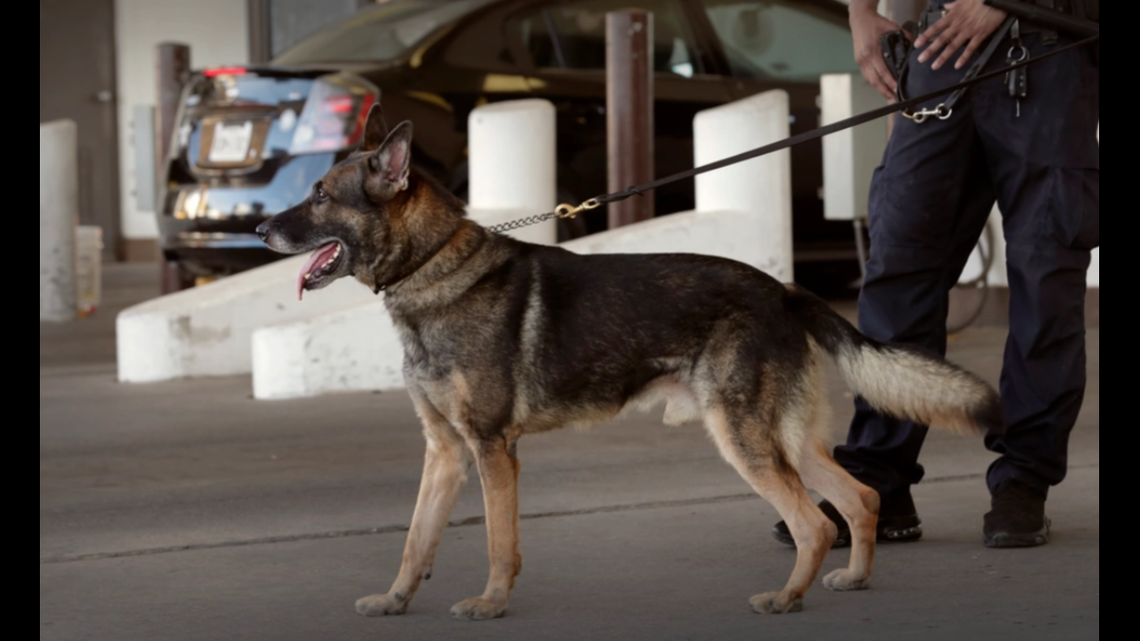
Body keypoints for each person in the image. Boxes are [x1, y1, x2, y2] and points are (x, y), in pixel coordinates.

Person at [775, 0, 1099, 548]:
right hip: (940, 47)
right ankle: (880, 475)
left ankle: (1024, 479)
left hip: (1052, 50)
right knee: (898, 273)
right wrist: (859, 12)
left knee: (1046, 284)